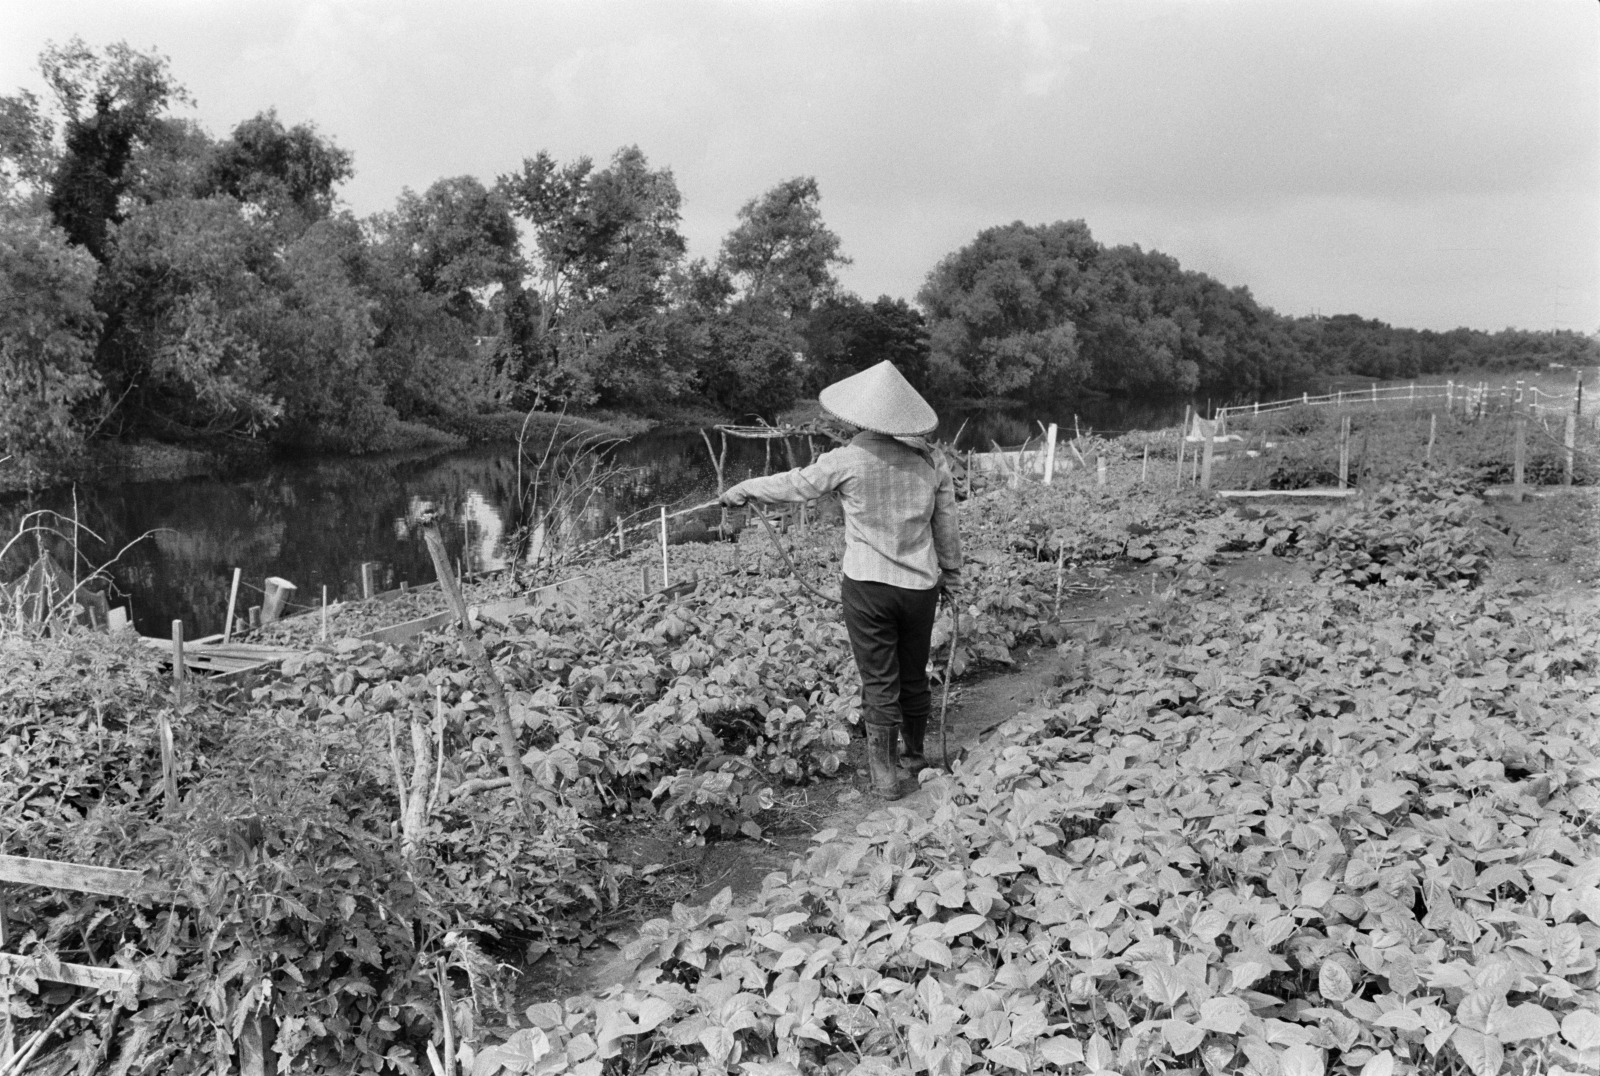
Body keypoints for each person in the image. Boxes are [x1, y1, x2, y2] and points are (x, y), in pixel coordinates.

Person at [720, 361, 962, 799]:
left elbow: (797, 485)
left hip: (868, 587)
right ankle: (914, 756)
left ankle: (887, 780)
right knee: (913, 673)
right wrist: (954, 575)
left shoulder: (847, 458)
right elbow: (946, 522)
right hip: (920, 588)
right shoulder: (931, 461)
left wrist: (745, 488)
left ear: (858, 415)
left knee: (879, 681)